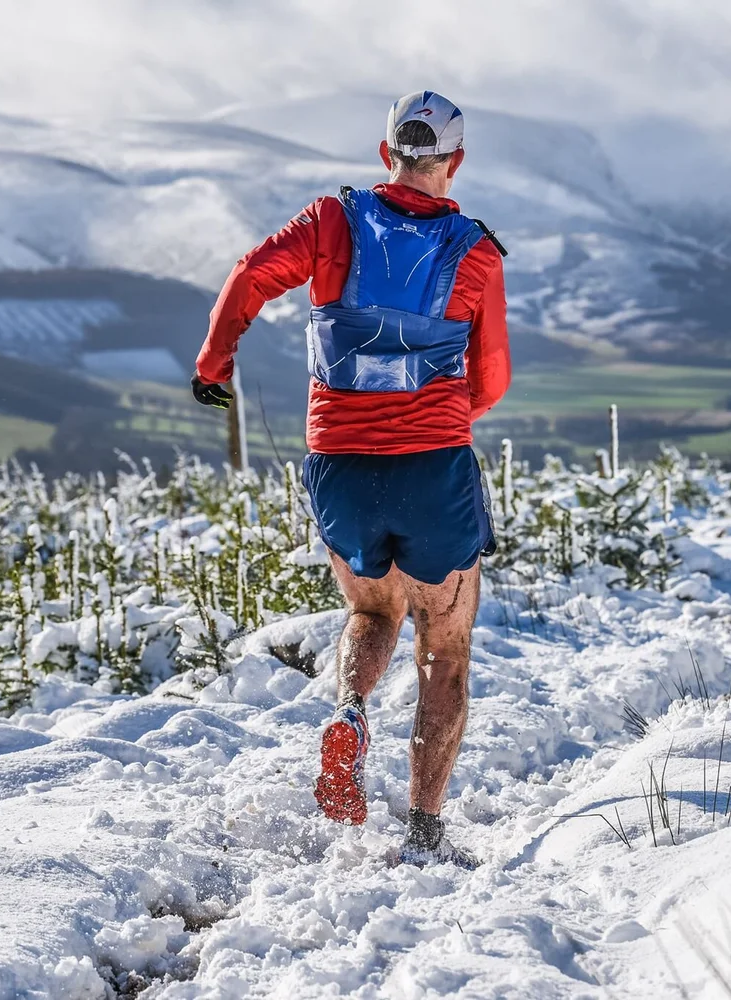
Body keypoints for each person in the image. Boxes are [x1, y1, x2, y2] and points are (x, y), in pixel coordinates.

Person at [193, 90, 510, 868]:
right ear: (455, 161)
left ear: (385, 155)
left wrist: (214, 363)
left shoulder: (331, 221)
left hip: (337, 463)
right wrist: (436, 420)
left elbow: (251, 275)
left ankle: (349, 709)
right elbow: (491, 377)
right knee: (445, 644)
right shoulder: (475, 250)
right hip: (433, 465)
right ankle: (426, 829)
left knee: (372, 611)